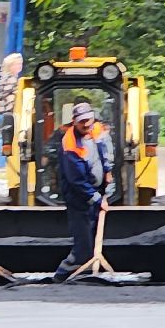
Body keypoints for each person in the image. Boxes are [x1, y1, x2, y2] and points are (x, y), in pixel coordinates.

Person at [53, 101, 108, 282]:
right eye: (82, 121)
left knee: (91, 238)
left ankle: (85, 273)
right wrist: (98, 199)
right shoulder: (70, 145)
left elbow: (104, 152)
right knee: (83, 244)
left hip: (95, 191)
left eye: (89, 120)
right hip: (79, 198)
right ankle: (61, 276)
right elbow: (76, 180)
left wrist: (108, 172)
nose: (86, 124)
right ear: (74, 122)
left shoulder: (97, 130)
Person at [0, 52, 24, 125]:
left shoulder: (10, 77)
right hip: (5, 111)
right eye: (17, 64)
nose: (20, 66)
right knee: (6, 132)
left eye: (20, 64)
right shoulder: (10, 78)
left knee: (6, 133)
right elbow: (9, 93)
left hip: (4, 111)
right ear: (10, 65)